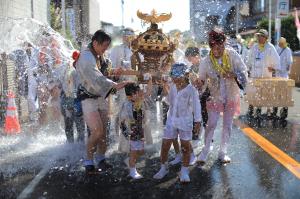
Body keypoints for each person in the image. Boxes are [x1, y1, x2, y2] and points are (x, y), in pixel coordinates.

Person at [76, 30, 131, 174]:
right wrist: (113, 85)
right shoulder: (86, 57)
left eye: (107, 46)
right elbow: (96, 79)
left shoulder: (101, 55)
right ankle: (88, 161)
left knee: (104, 132)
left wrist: (115, 74)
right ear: (95, 43)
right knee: (97, 130)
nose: (106, 49)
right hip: (88, 97)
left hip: (102, 96)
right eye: (104, 46)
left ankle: (101, 158)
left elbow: (106, 74)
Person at [196, 29, 248, 165]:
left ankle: (223, 152)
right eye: (215, 47)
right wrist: (199, 83)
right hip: (215, 96)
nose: (218, 50)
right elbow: (201, 80)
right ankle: (206, 149)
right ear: (211, 47)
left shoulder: (232, 55)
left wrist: (234, 74)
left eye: (221, 47)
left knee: (227, 125)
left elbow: (244, 71)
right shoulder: (206, 61)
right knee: (211, 123)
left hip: (231, 95)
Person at [153, 63, 201, 183]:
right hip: (171, 119)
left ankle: (184, 170)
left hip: (185, 121)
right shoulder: (173, 87)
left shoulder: (191, 90)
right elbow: (169, 101)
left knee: (185, 146)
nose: (174, 79)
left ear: (185, 76)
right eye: (173, 77)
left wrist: (198, 122)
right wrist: (165, 87)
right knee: (165, 145)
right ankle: (163, 167)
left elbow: (197, 107)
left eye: (177, 77)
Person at [118, 77, 152, 179]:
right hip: (133, 131)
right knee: (134, 151)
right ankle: (132, 171)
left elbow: (149, 92)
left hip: (140, 130)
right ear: (132, 95)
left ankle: (129, 161)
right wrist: (127, 133)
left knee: (140, 151)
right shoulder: (127, 105)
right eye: (138, 91)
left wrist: (150, 80)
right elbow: (122, 121)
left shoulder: (139, 99)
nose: (141, 92)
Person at [246, 29, 280, 118]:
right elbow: (249, 58)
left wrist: (273, 68)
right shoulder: (254, 47)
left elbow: (277, 60)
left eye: (261, 36)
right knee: (253, 92)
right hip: (254, 74)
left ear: (265, 38)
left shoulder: (270, 47)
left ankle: (259, 110)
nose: (259, 38)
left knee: (264, 93)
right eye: (258, 36)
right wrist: (247, 68)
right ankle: (251, 108)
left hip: (265, 74)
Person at [60, 51, 86, 143]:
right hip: (72, 100)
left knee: (70, 124)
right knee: (77, 123)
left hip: (68, 99)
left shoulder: (68, 69)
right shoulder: (75, 71)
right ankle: (77, 146)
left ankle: (72, 145)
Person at [273, 37, 293, 119]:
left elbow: (289, 62)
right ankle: (279, 110)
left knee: (280, 93)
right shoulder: (283, 49)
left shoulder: (286, 50)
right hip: (281, 75)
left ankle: (280, 111)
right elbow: (289, 62)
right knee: (281, 93)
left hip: (282, 75)